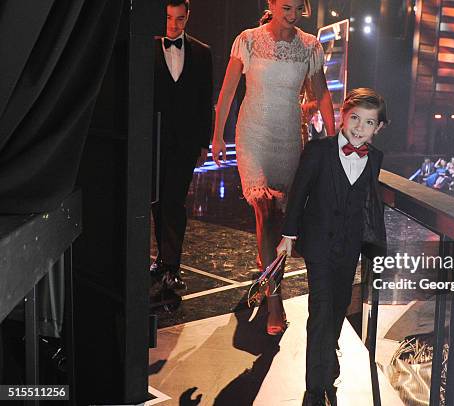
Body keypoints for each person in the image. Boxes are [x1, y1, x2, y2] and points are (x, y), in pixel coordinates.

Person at [212, 0, 335, 335]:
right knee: (265, 209)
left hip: (289, 139)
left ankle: (265, 261)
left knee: (279, 219)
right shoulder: (248, 39)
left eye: (297, 7)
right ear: (272, 3)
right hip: (253, 135)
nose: (292, 13)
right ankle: (274, 302)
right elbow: (228, 89)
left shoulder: (309, 46)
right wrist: (218, 134)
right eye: (286, 6)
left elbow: (321, 93)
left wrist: (333, 138)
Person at [276, 88, 388, 405]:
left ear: (377, 129)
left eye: (368, 122)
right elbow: (299, 194)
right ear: (342, 115)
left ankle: (328, 358)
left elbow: (369, 203)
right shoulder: (318, 151)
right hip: (319, 247)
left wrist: (374, 243)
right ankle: (316, 387)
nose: (359, 127)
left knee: (338, 308)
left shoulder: (375, 159)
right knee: (320, 311)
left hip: (349, 247)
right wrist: (288, 235)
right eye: (354, 118)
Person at [150, 0, 213, 290]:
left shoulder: (203, 53)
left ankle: (172, 266)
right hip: (152, 141)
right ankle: (163, 259)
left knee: (173, 201)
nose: (173, 25)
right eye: (168, 18)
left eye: (179, 18)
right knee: (157, 201)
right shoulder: (146, 48)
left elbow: (205, 102)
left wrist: (204, 143)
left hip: (185, 144)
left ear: (188, 17)